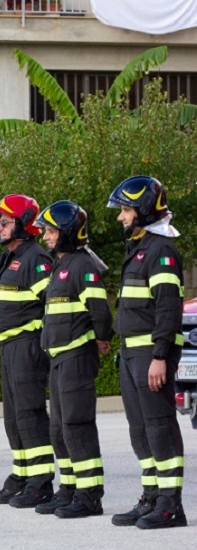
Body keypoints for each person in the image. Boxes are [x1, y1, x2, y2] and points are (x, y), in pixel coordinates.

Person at [106, 176, 186, 529]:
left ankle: (170, 506)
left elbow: (168, 308)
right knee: (140, 429)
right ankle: (151, 497)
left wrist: (159, 355)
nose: (121, 217)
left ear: (142, 209)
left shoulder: (162, 251)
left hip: (150, 356)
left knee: (159, 426)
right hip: (132, 355)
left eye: (125, 209)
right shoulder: (140, 248)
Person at [33, 201, 114, 518]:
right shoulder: (61, 266)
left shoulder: (83, 266)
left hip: (76, 357)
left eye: (51, 231)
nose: (46, 238)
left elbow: (100, 312)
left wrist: (101, 339)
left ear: (67, 232)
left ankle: (90, 494)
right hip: (59, 359)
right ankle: (68, 488)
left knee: (77, 426)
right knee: (59, 429)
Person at [0, 194, 57, 506]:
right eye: (0, 222)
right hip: (9, 347)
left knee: (29, 414)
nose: (0, 227)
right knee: (13, 417)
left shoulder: (36, 259)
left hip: (28, 347)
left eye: (5, 222)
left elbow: (51, 306)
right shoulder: (10, 257)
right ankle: (22, 473)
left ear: (24, 224)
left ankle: (41, 481)